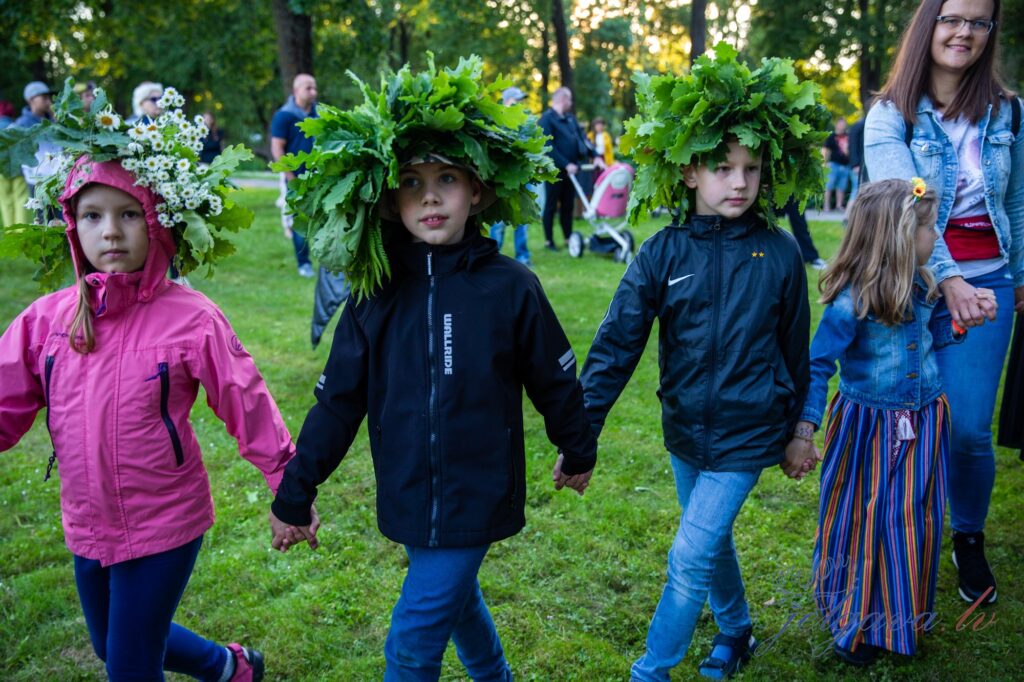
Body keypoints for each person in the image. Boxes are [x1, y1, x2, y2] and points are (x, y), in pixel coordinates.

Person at [267, 57, 595, 681]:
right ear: (390, 198)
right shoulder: (375, 293)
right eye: (413, 182)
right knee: (457, 600)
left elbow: (554, 378)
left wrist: (576, 447)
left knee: (412, 644)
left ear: (478, 190)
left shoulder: (511, 287)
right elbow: (338, 403)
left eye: (448, 177)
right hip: (408, 487)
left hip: (479, 489)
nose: (432, 196)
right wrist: (295, 491)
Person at [0, 92, 294, 679]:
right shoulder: (46, 320)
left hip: (165, 520)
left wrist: (289, 484)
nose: (110, 231)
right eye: (92, 215)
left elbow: (245, 398)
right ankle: (228, 668)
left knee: (129, 665)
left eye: (129, 213)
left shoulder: (191, 318)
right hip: (87, 519)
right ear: (71, 224)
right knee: (115, 644)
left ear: (158, 219)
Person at [582, 46, 826, 681]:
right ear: (690, 172)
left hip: (750, 435)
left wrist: (802, 431)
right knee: (708, 543)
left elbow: (798, 353)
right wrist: (582, 427)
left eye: (750, 168)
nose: (740, 182)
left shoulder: (778, 255)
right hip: (685, 430)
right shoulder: (662, 253)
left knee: (690, 554)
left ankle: (650, 671)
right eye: (723, 167)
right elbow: (616, 345)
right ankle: (738, 629)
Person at [864, 0, 1022, 605]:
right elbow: (908, 208)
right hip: (911, 289)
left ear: (990, 32)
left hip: (993, 284)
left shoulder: (1009, 113)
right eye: (953, 18)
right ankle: (902, 541)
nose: (964, 32)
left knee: (969, 430)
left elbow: (1018, 204)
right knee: (905, 423)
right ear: (928, 24)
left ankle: (968, 537)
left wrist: (1020, 280)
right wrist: (950, 281)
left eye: (979, 22)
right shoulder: (890, 116)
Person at [801, 179, 993, 665]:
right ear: (899, 234)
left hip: (924, 422)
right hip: (867, 428)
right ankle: (855, 620)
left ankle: (899, 619)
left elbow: (935, 345)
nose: (937, 235)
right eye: (930, 227)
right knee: (865, 519)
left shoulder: (926, 284)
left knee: (911, 520)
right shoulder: (852, 300)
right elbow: (818, 364)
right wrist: (804, 430)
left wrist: (961, 325)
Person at [270, 73, 318, 278]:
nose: (314, 92)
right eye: (309, 88)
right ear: (296, 90)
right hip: (296, 179)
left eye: (315, 88)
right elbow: (277, 149)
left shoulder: (320, 115)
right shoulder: (284, 116)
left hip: (320, 178)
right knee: (300, 222)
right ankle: (304, 263)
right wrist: (291, 177)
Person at [487, 85, 533, 266]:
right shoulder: (498, 123)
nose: (520, 104)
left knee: (522, 218)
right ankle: (492, 257)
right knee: (498, 221)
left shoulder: (526, 122)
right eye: (517, 100)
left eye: (522, 100)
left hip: (523, 176)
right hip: (503, 178)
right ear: (507, 101)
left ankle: (523, 256)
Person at [539, 87, 588, 250]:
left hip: (572, 172)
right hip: (554, 172)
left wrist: (594, 155)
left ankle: (568, 238)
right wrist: (565, 164)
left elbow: (582, 139)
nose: (571, 103)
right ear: (562, 100)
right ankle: (548, 241)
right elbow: (548, 146)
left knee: (568, 205)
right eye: (570, 99)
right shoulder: (546, 119)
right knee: (551, 206)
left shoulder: (570, 119)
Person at [14, 81, 61, 201]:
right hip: (36, 180)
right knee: (42, 217)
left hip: (58, 177)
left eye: (49, 97)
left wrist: (56, 120)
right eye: (44, 97)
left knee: (61, 216)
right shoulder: (22, 124)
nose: (48, 101)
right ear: (31, 100)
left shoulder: (53, 120)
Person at [0, 98, 32, 228]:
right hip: (18, 169)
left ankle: (10, 232)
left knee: (6, 202)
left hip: (1, 171)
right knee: (20, 200)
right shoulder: (16, 126)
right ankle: (21, 232)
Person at [822, 116, 851, 212]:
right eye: (840, 123)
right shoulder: (831, 137)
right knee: (829, 186)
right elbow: (826, 150)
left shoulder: (848, 136)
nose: (842, 125)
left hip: (846, 166)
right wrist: (825, 163)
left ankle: (839, 206)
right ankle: (826, 206)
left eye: (844, 124)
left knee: (841, 187)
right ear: (837, 124)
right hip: (833, 165)